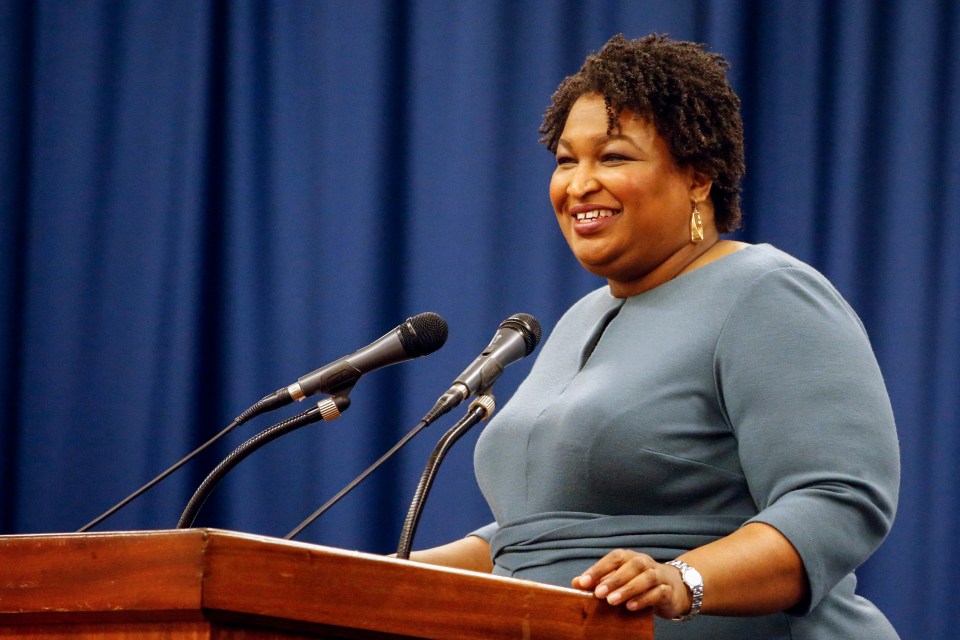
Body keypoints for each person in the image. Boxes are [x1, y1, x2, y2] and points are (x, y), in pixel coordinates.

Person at [411, 33, 900, 639]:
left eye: (613, 157)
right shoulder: (582, 319)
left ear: (698, 178)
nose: (580, 184)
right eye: (567, 161)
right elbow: (536, 541)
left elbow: (838, 501)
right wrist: (375, 577)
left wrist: (683, 581)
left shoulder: (766, 292)